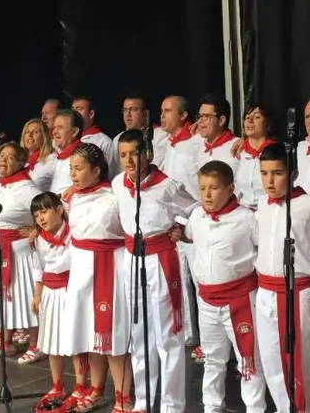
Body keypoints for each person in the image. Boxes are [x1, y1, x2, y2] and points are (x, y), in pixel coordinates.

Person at [111, 129, 197, 413]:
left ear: (146, 153)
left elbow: (195, 209)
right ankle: (143, 399)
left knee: (167, 335)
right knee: (139, 331)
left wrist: (183, 230)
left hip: (160, 258)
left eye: (134, 154)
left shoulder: (167, 185)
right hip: (132, 259)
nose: (128, 161)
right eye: (123, 155)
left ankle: (172, 405)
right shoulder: (117, 183)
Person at [172, 160, 267, 413]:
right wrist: (178, 234)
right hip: (207, 301)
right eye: (203, 188)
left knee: (249, 360)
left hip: (240, 299)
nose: (207, 194)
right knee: (213, 359)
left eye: (214, 188)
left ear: (230, 188)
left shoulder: (247, 218)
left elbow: (266, 249)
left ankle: (255, 408)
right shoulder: (197, 216)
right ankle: (212, 407)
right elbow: (189, 235)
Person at [255, 142, 310, 413]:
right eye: (264, 173)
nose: (270, 181)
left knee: (302, 363)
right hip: (265, 290)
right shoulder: (262, 204)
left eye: (277, 173)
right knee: (271, 359)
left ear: (294, 173)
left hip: (299, 290)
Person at [63, 142, 130, 411]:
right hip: (81, 271)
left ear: (97, 170)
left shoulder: (114, 196)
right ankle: (96, 389)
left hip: (108, 269)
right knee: (90, 333)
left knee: (111, 334)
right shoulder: (71, 197)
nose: (73, 174)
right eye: (70, 168)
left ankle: (124, 400)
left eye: (79, 169)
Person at [0, 142, 42, 359]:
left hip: (17, 252)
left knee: (23, 297)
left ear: (21, 162)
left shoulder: (27, 188)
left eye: (10, 157)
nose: (3, 160)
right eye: (1, 156)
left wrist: (36, 229)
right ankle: (3, 341)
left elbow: (50, 211)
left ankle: (36, 343)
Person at [31, 191, 90, 410]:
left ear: (59, 210)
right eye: (36, 215)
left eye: (45, 212)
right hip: (50, 292)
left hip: (71, 289)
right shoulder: (38, 238)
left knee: (75, 342)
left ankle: (81, 386)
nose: (41, 219)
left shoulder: (73, 231)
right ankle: (57, 385)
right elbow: (39, 269)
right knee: (51, 343)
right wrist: (37, 295)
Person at [159, 95, 203, 355]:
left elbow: (198, 185)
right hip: (173, 221)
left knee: (199, 278)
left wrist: (188, 219)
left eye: (168, 111)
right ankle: (187, 332)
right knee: (178, 278)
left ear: (184, 116)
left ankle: (209, 340)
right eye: (162, 111)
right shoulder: (169, 143)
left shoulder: (196, 143)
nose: (162, 115)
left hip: (194, 216)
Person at [235, 103, 277, 210]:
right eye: (247, 117)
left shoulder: (276, 152)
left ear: (268, 123)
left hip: (270, 211)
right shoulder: (239, 153)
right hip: (244, 214)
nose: (249, 120)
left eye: (257, 117)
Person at [112, 93, 168, 169]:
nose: (128, 114)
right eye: (125, 110)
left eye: (133, 109)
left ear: (146, 113)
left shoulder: (163, 135)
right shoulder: (117, 139)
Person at [72, 96, 119, 179]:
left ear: (91, 114)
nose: (74, 113)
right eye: (73, 109)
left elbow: (110, 174)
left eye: (79, 109)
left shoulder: (104, 141)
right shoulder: (67, 137)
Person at [195, 94, 240, 174]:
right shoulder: (196, 144)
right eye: (199, 116)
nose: (200, 121)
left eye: (206, 116)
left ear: (221, 120)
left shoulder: (237, 147)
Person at [49, 109, 83, 197]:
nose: (54, 132)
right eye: (54, 127)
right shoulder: (56, 154)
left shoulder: (84, 156)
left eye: (60, 127)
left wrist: (74, 188)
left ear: (74, 132)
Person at [21, 118, 56, 192]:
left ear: (44, 137)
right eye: (27, 132)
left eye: (36, 132)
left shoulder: (52, 159)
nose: (30, 135)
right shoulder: (19, 162)